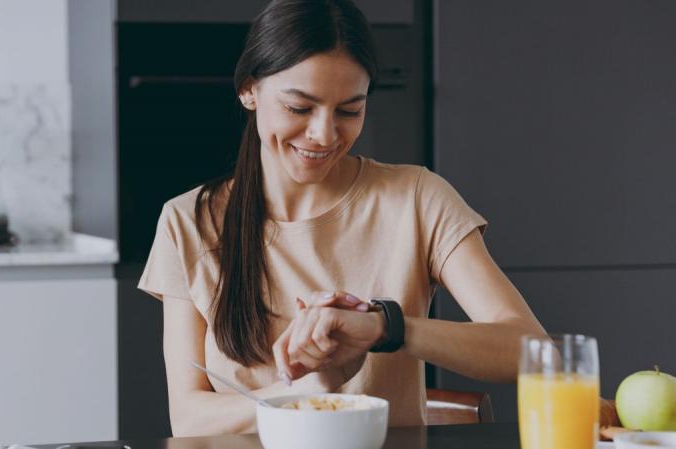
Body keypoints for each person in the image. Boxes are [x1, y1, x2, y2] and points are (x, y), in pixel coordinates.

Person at [139, 0, 549, 437]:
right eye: (300, 108)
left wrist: (384, 327)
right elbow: (187, 418)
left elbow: (532, 349)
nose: (325, 134)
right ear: (249, 90)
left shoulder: (416, 198)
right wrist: (307, 391)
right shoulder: (188, 221)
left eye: (349, 111)